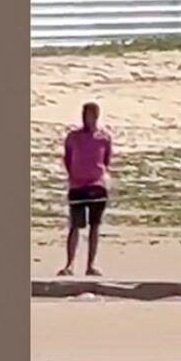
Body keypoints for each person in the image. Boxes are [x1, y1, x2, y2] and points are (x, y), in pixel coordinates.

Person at [59, 102, 112, 277]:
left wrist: (98, 175)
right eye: (86, 114)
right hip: (77, 186)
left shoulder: (104, 137)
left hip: (97, 185)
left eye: (92, 114)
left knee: (94, 226)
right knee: (75, 225)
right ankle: (69, 265)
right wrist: (74, 175)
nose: (88, 118)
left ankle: (91, 265)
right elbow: (67, 158)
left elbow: (106, 160)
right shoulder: (73, 137)